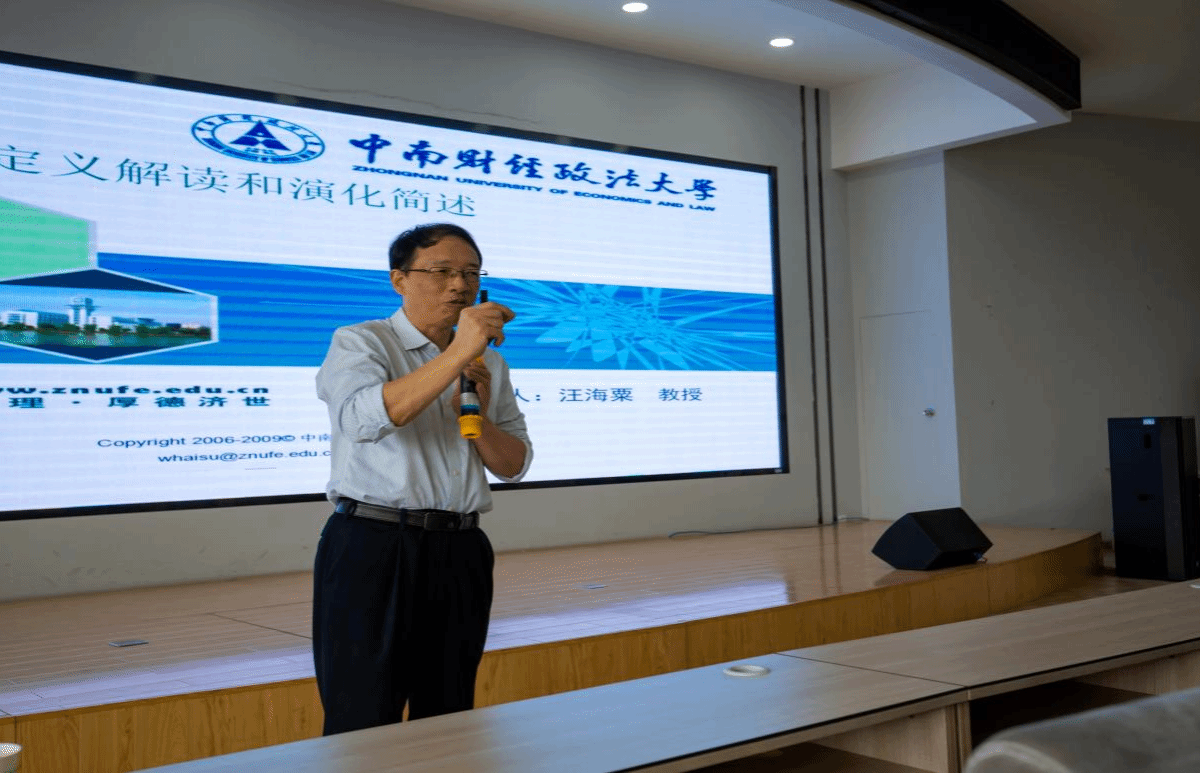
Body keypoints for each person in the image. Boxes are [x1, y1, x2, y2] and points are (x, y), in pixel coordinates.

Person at [312, 222, 532, 735]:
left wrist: (473, 417)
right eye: (442, 271)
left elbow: (513, 464)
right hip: (375, 545)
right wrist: (458, 353)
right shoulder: (360, 341)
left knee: (449, 711)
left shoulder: (490, 363)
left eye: (472, 274)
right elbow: (361, 421)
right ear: (400, 279)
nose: (460, 285)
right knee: (363, 714)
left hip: (461, 549)